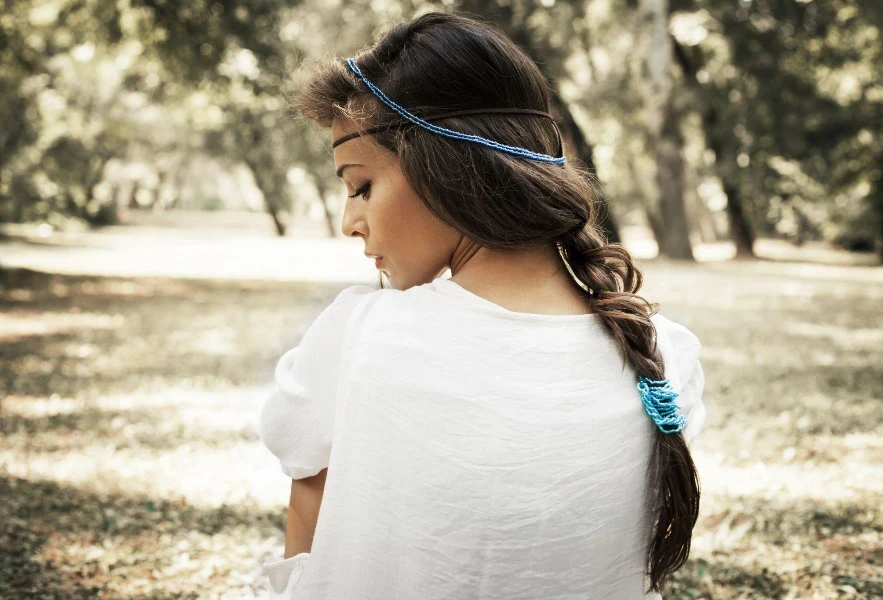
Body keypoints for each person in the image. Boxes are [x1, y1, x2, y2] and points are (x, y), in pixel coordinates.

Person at [258, 11, 706, 600]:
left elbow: (306, 521)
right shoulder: (666, 358)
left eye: (361, 185)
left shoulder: (357, 337)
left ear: (439, 164)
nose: (350, 222)